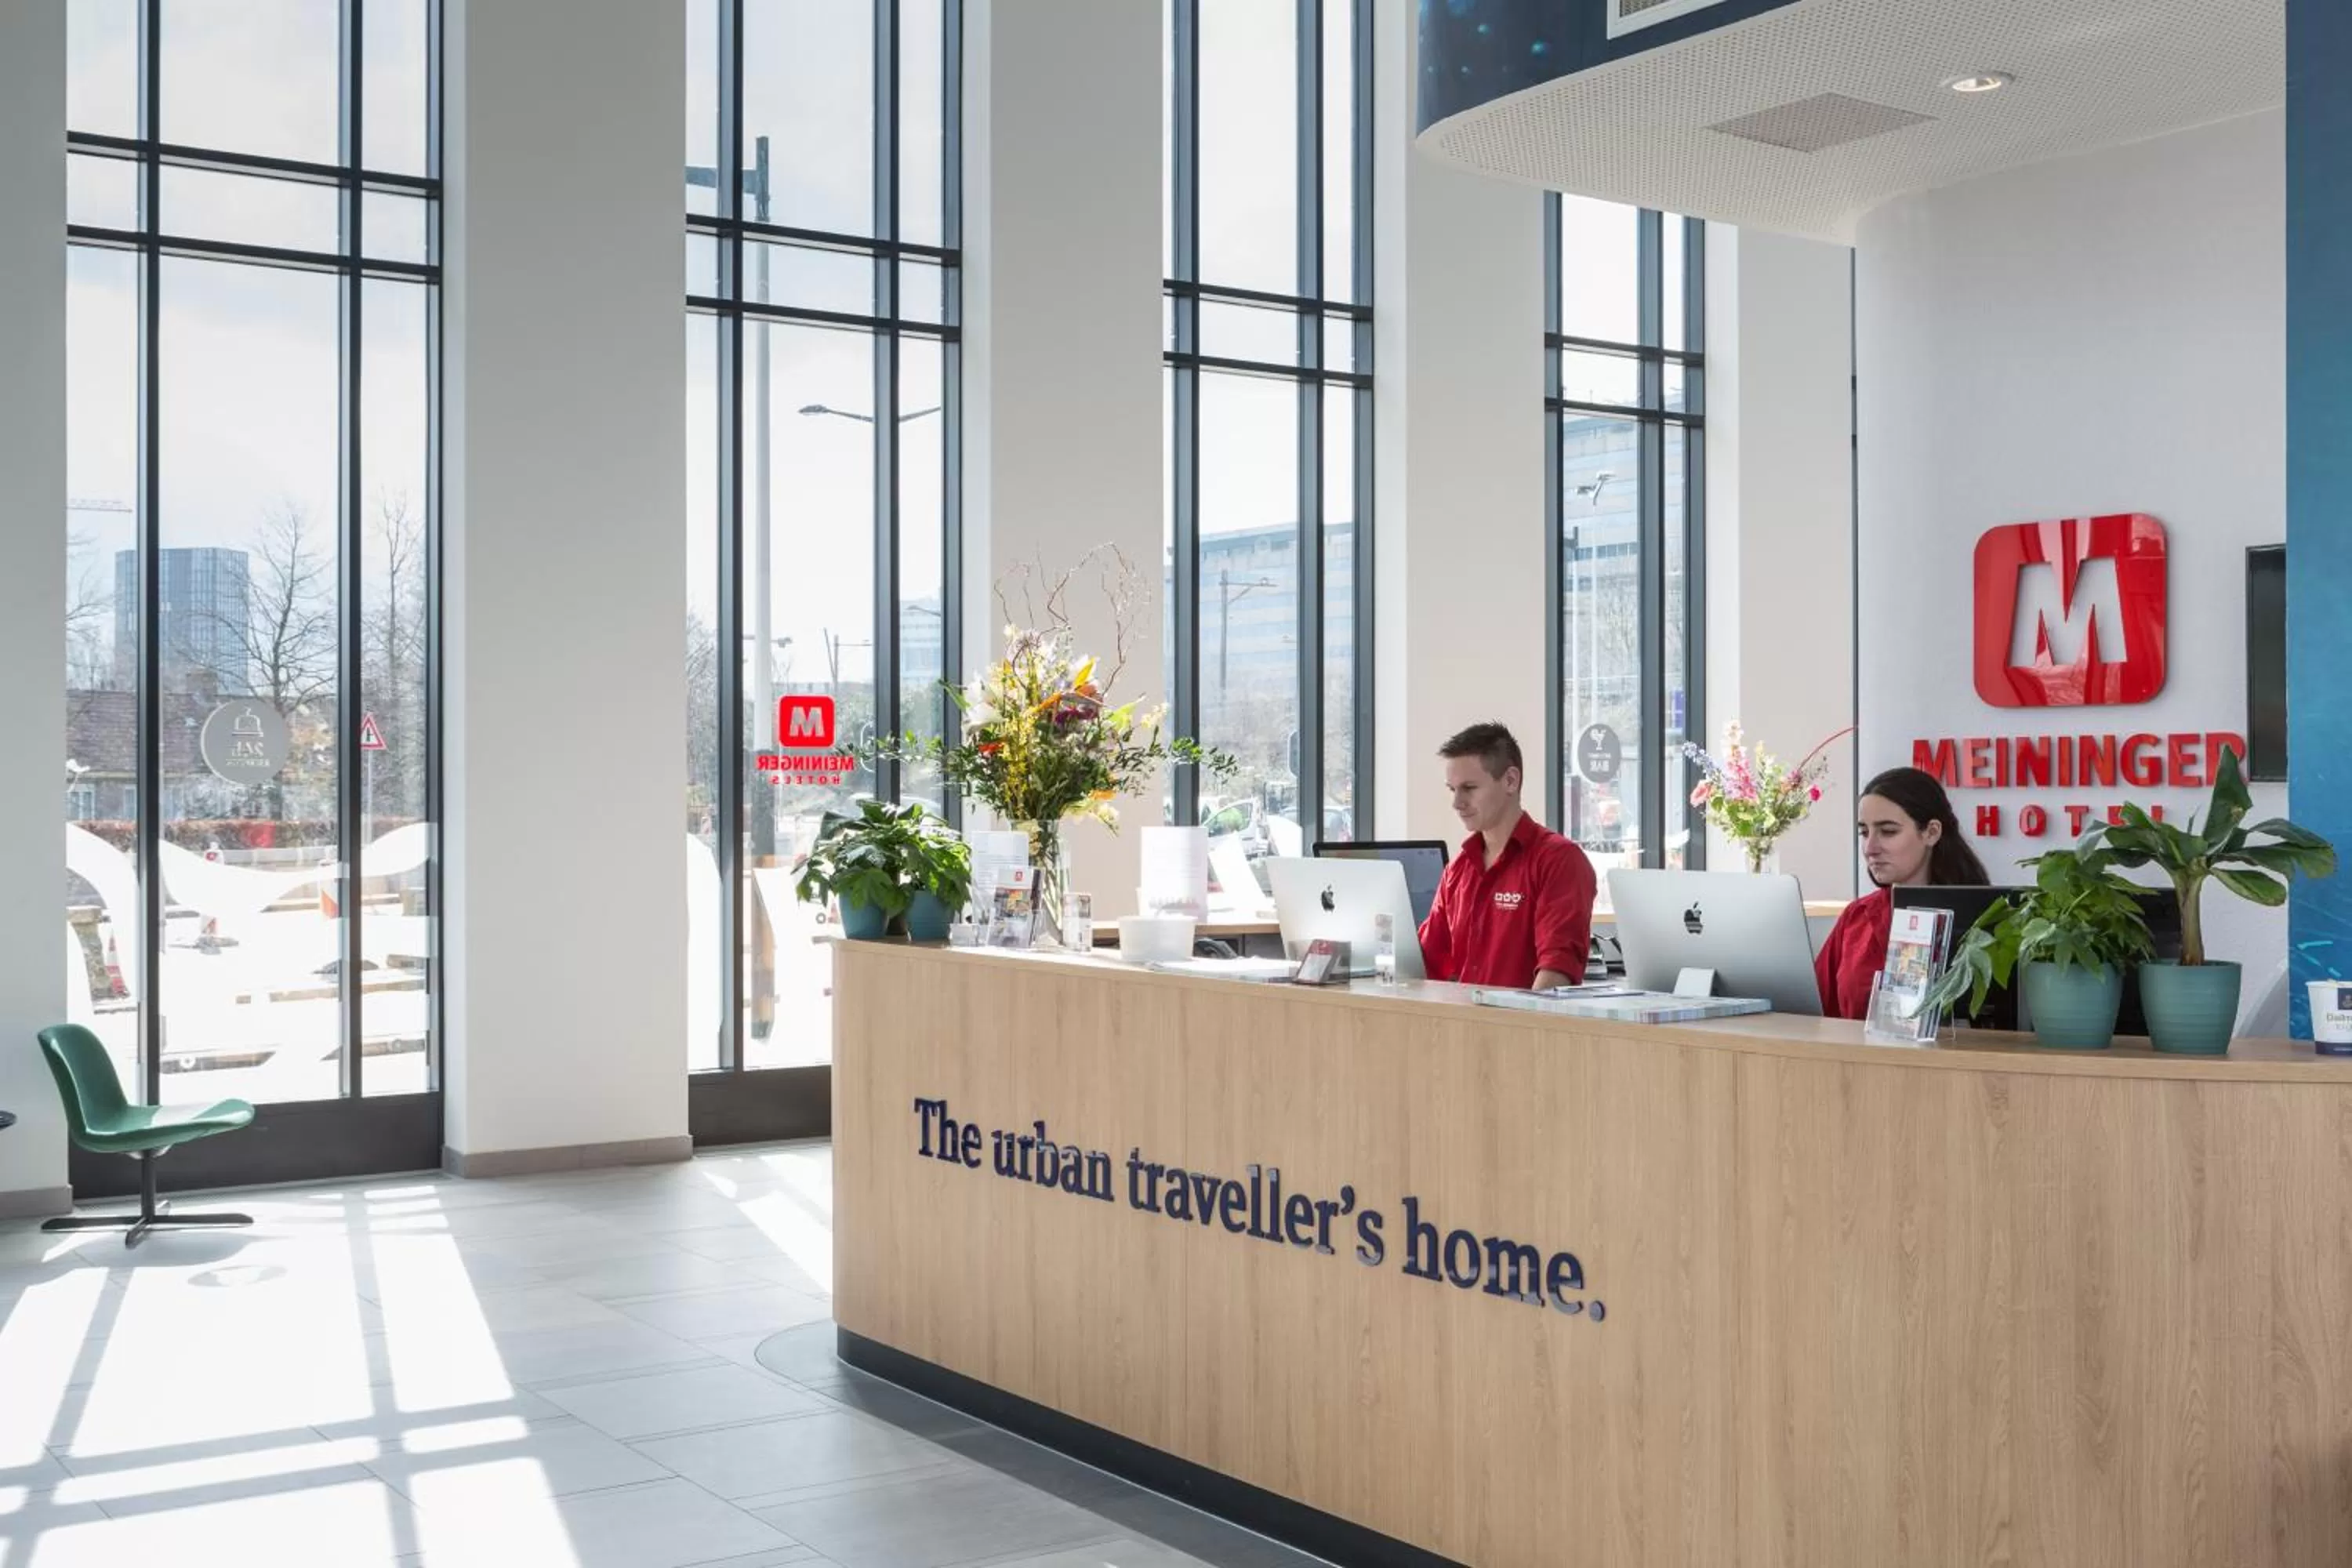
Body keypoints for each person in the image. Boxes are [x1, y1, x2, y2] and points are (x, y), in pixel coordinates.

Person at [1417, 723, 1597, 990]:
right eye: (1452, 790)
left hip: (1524, 1017)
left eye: (1469, 788)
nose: (1457, 803)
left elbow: (1556, 972)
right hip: (1462, 1016)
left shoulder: (1559, 860)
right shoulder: (1458, 869)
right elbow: (1424, 962)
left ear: (1511, 781)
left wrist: (1520, 1020)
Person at [1814, 766, 1991, 1019]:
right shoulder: (1856, 916)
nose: (1870, 848)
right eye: (1864, 832)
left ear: (1931, 832)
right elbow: (1813, 1012)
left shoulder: (1985, 919)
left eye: (1888, 832)